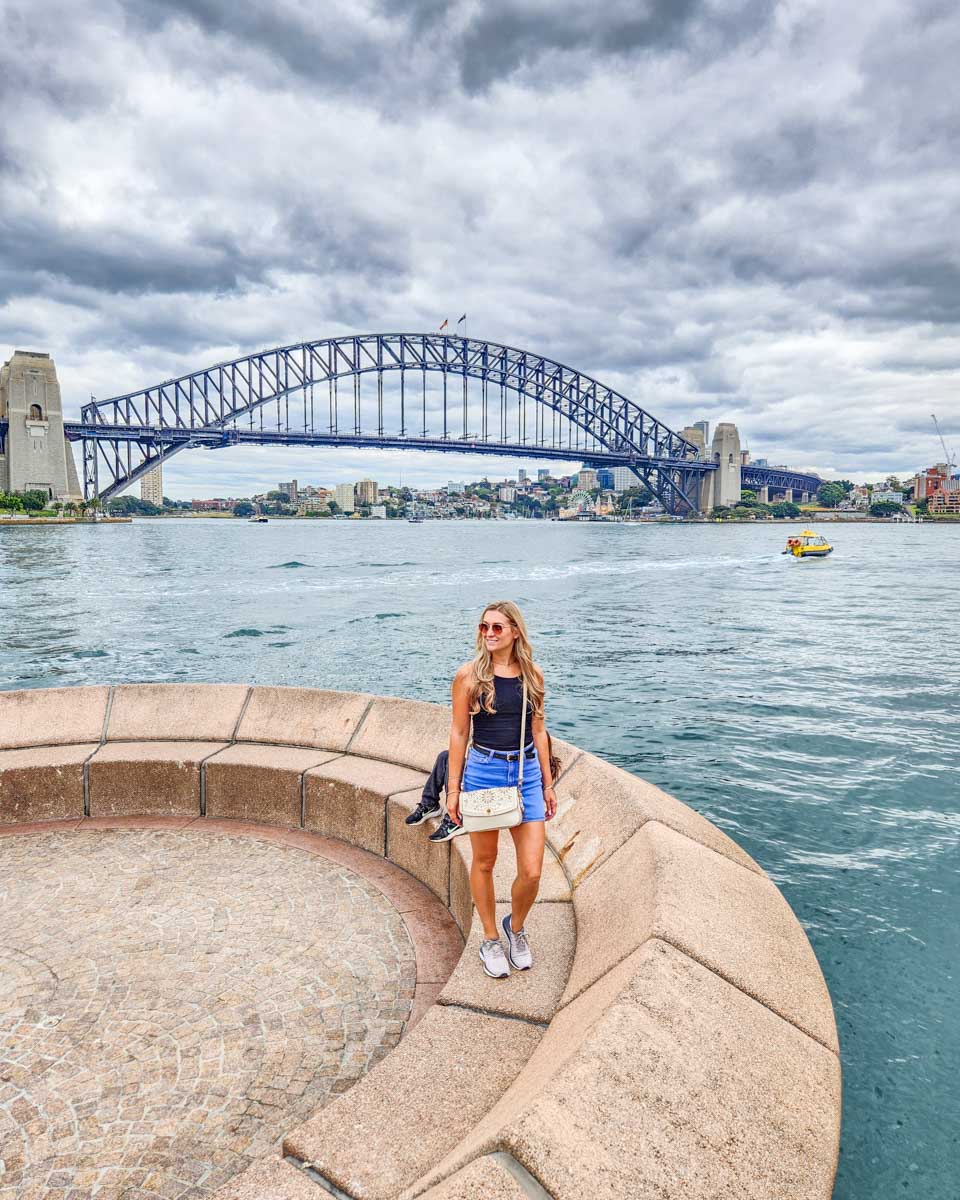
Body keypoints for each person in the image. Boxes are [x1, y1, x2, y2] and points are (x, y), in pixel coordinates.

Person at [446, 600, 556, 978]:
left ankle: (516, 927)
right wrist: (453, 791)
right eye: (484, 627)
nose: (489, 634)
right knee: (485, 862)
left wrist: (547, 783)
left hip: (525, 775)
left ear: (515, 632)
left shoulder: (532, 676)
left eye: (497, 628)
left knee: (532, 871)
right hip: (484, 771)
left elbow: (539, 731)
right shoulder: (469, 677)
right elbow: (459, 733)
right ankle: (491, 938)